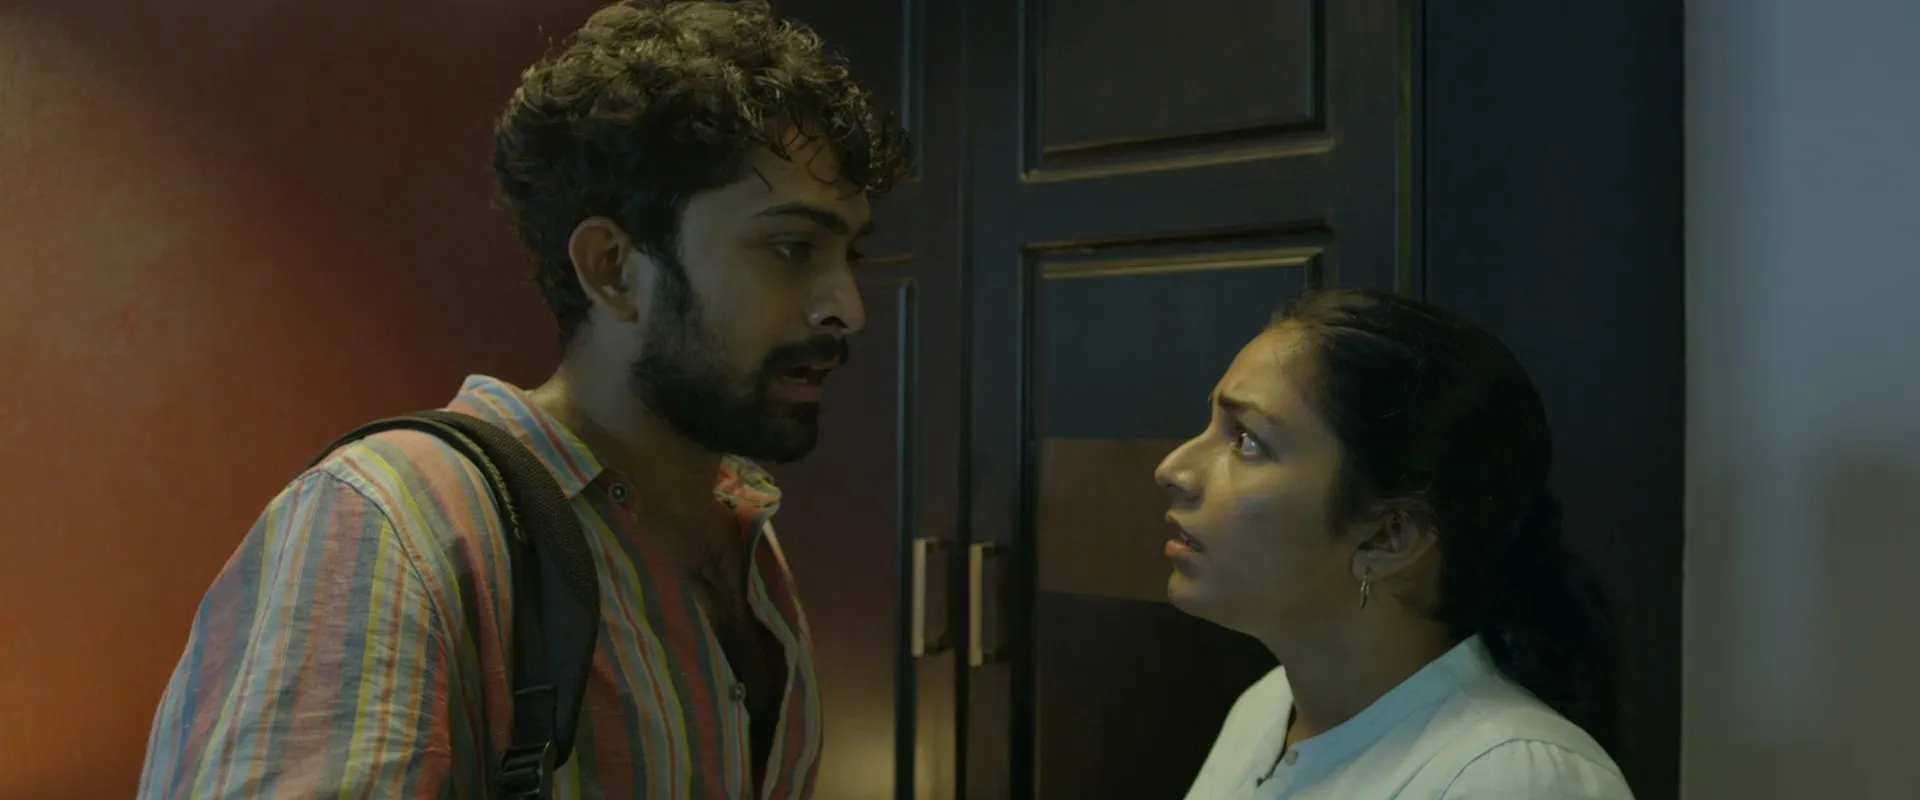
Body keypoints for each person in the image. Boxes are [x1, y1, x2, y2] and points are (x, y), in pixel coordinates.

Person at [137, 2, 908, 797]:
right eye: (791, 248)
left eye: (849, 254)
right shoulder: (395, 526)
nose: (848, 307)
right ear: (614, 269)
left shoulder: (745, 538)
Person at [1156, 290, 1634, 798]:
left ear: (1391, 535)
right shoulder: (1265, 709)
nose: (1173, 469)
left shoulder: (1511, 778)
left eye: (1247, 440)